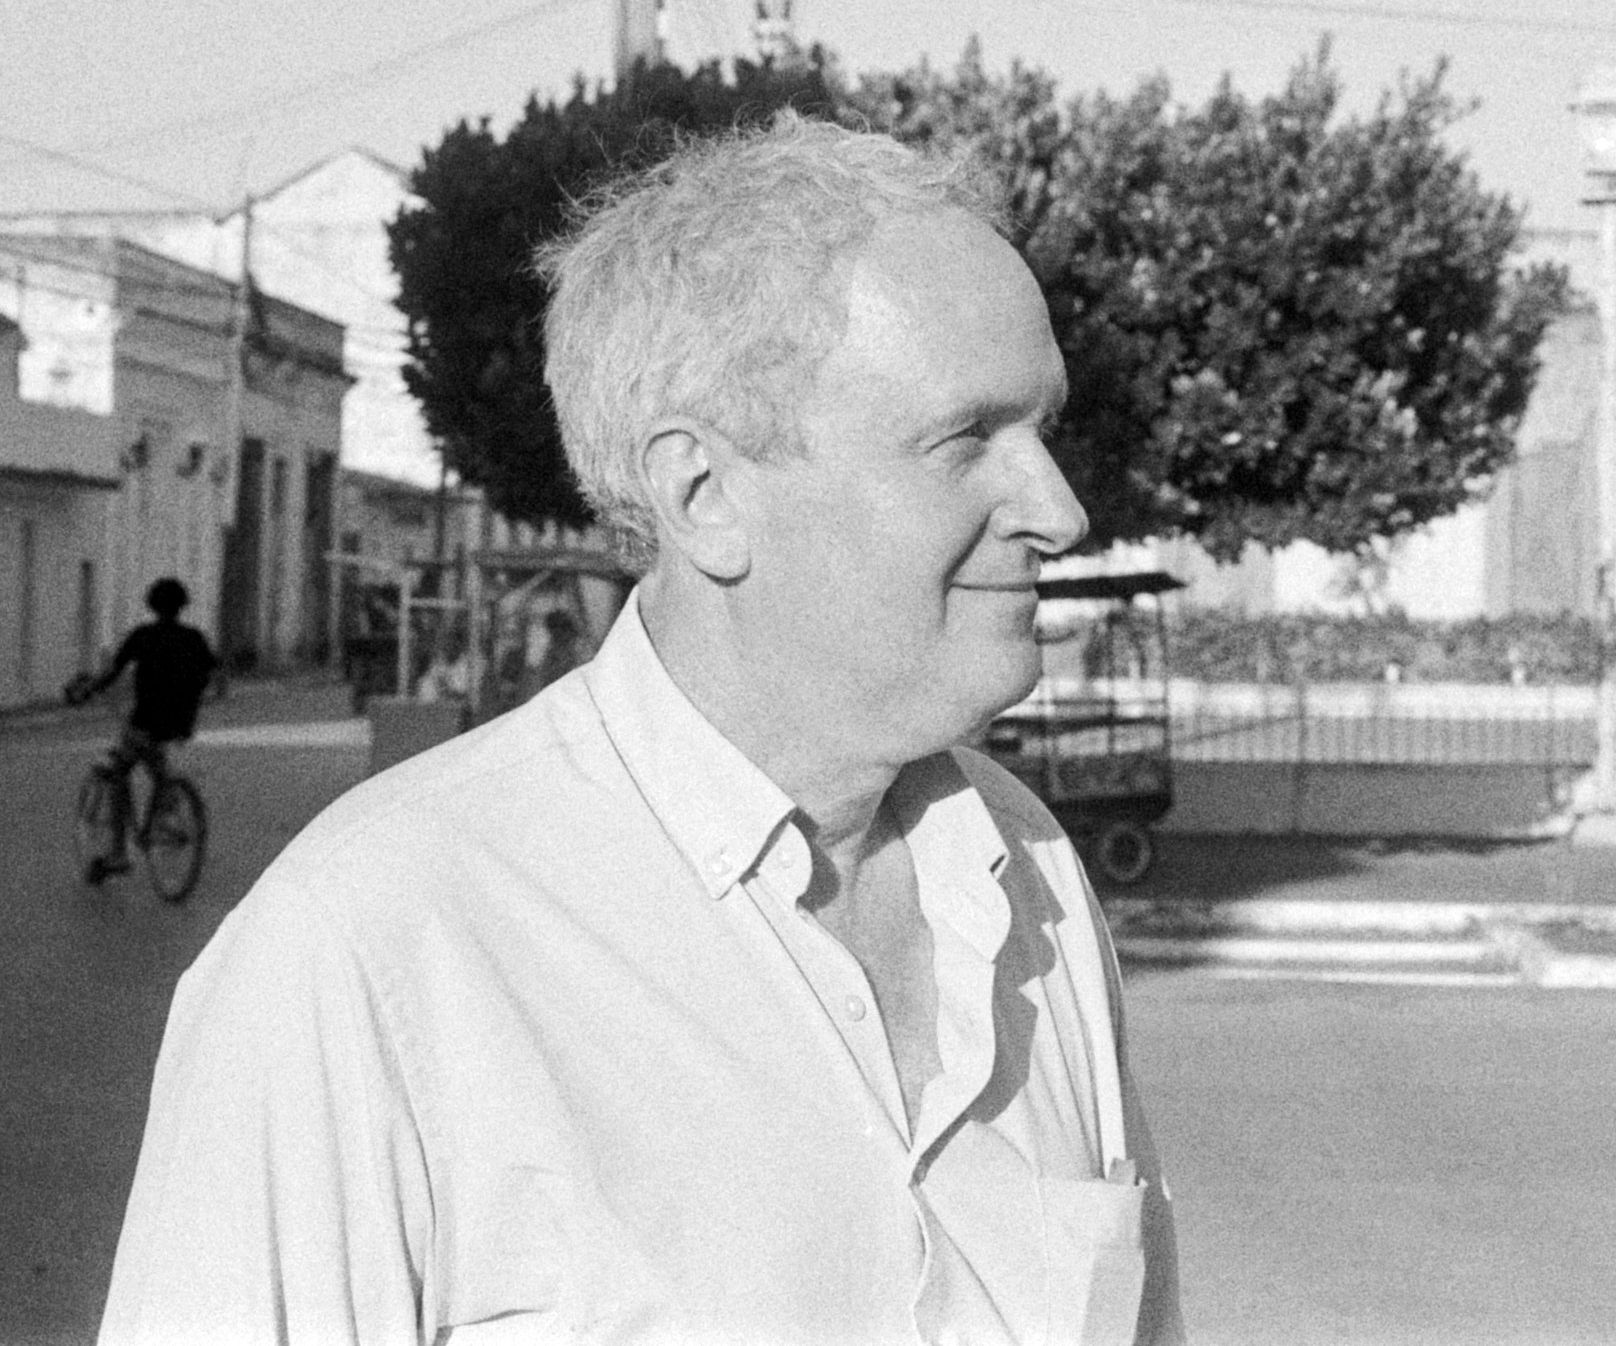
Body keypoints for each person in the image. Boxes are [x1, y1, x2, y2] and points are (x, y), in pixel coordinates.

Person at [99, 117, 1184, 1344]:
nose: (1060, 509)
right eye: (965, 438)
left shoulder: (1027, 871)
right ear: (703, 495)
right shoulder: (369, 947)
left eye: (1043, 430)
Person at [71, 576, 218, 882]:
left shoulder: (143, 636)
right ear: (182, 606)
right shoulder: (194, 638)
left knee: (118, 773)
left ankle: (117, 854)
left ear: (152, 605)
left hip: (146, 720)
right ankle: (168, 804)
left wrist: (88, 689)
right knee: (155, 761)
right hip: (180, 723)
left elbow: (113, 672)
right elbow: (215, 675)